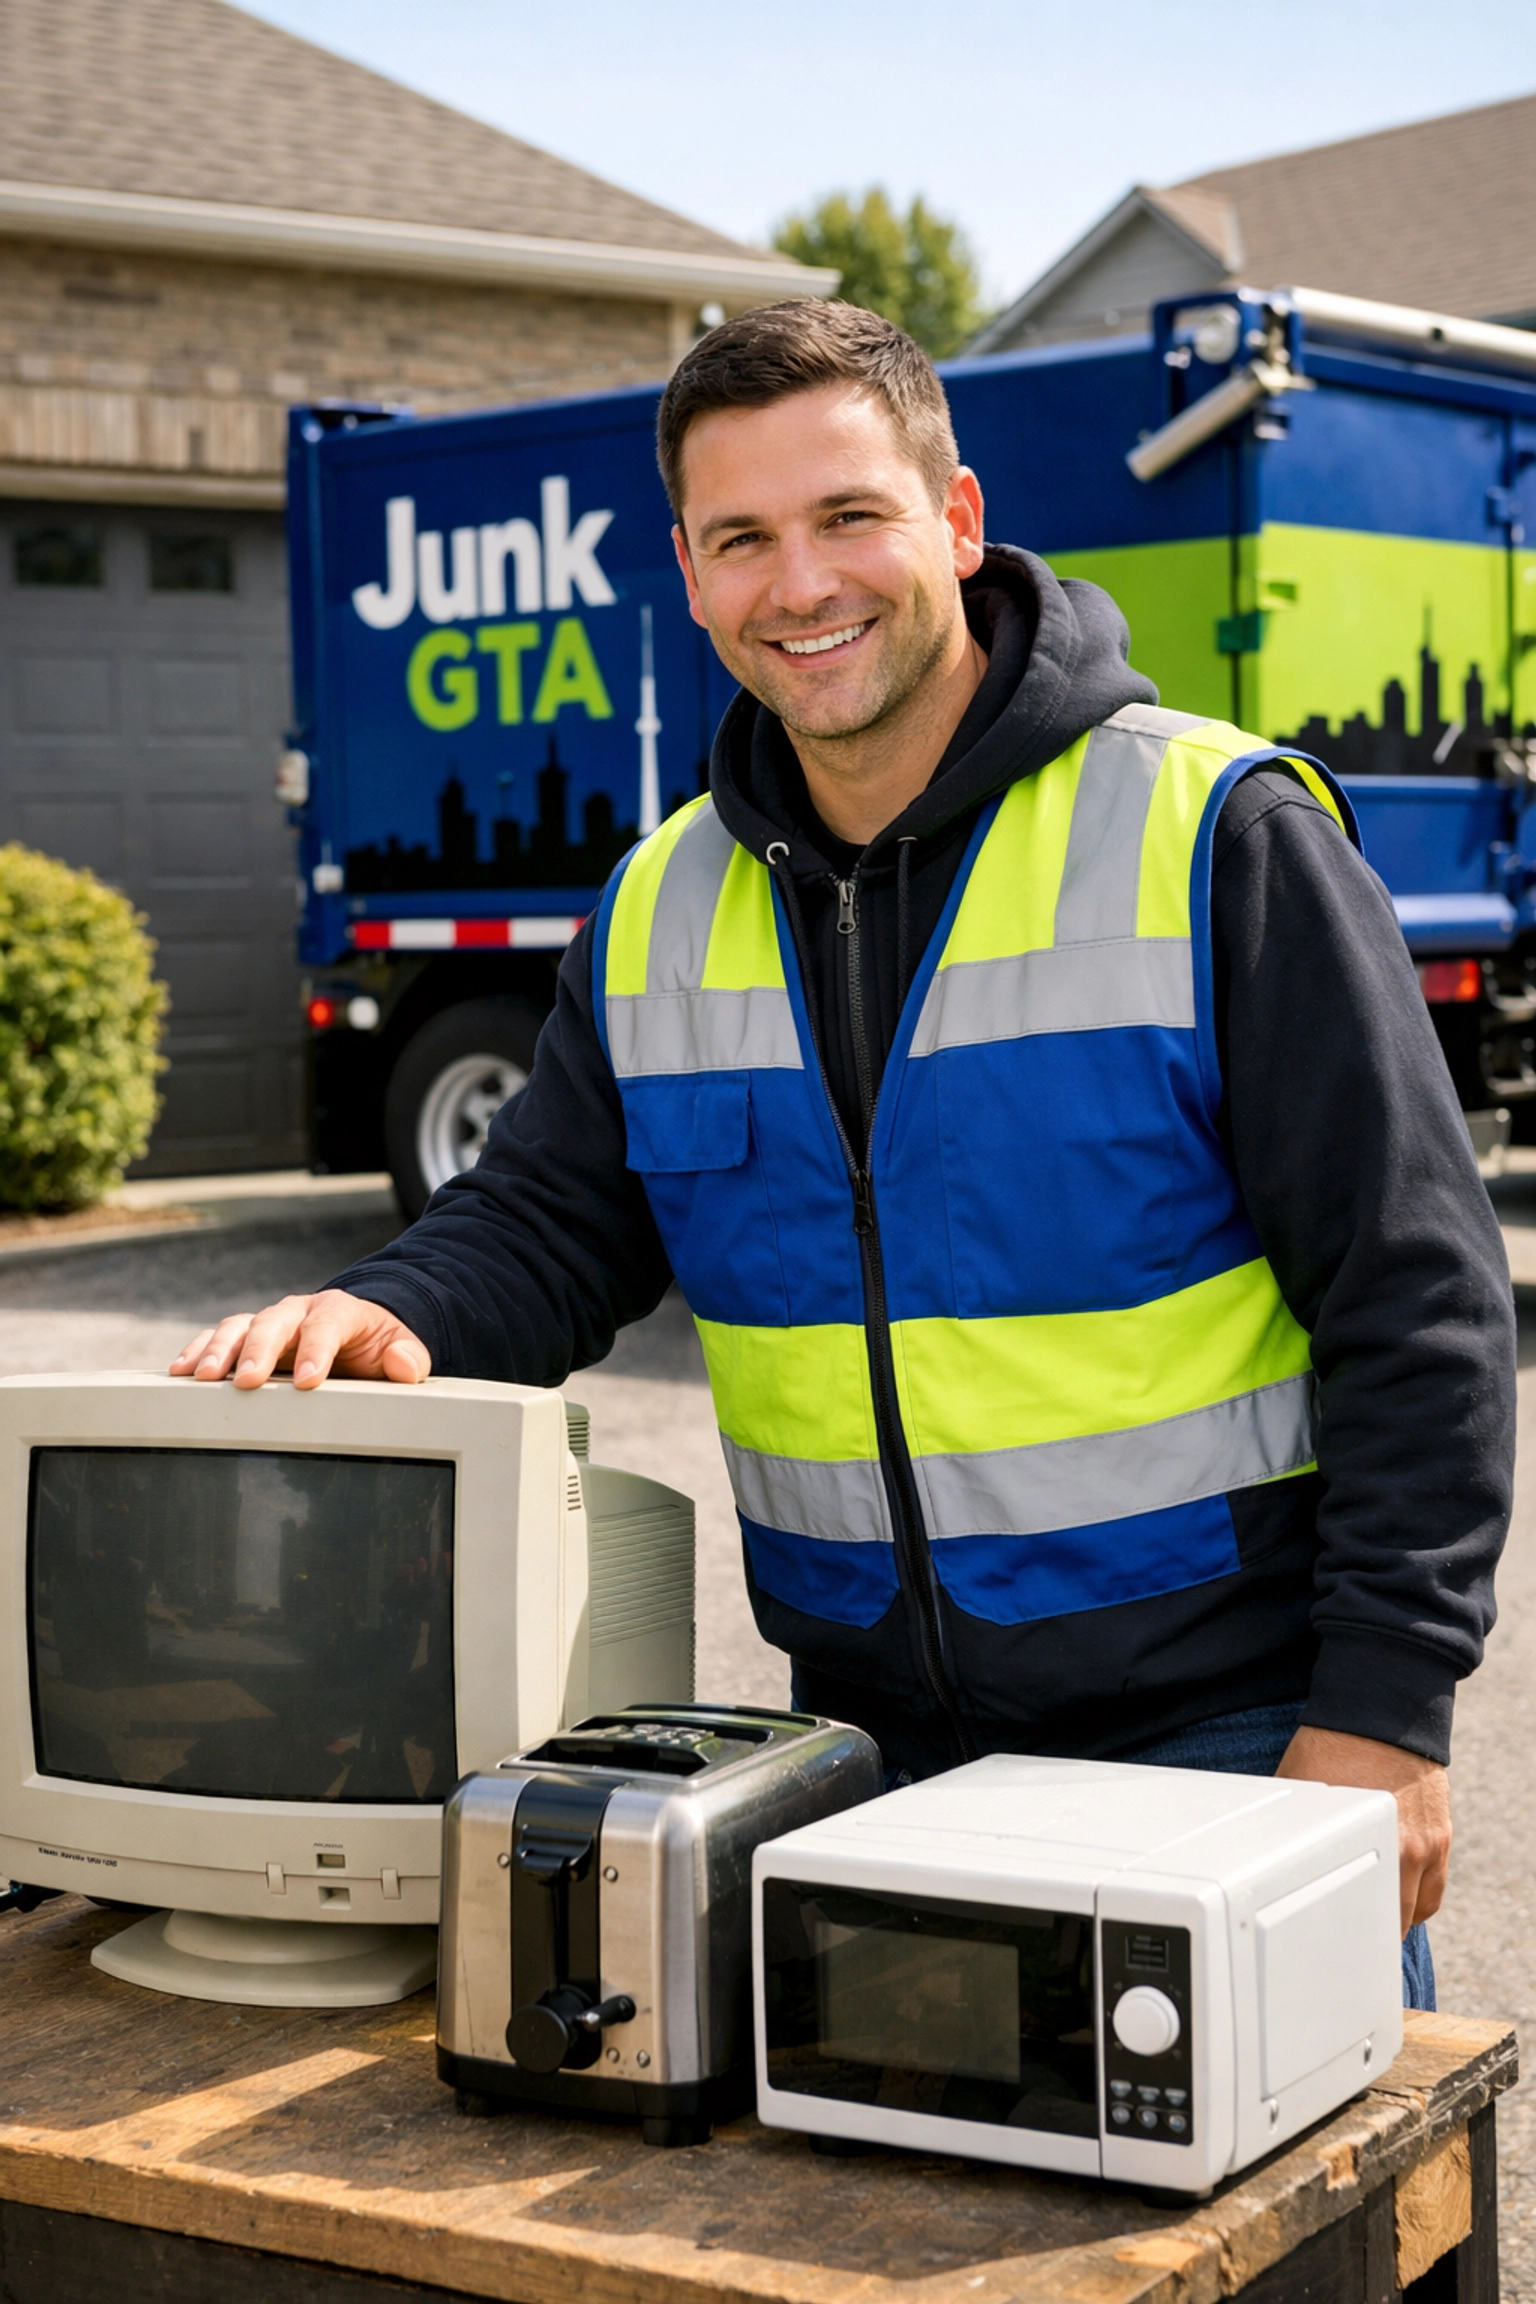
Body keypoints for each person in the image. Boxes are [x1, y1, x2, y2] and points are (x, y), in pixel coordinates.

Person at [173, 301, 1515, 2007]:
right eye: (743, 539)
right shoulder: (659, 900)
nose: (798, 585)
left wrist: (1385, 1713)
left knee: (1280, 2261)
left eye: (847, 518)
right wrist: (392, 1313)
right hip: (863, 1758)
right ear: (688, 571)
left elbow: (1420, 1296)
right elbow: (551, 1219)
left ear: (955, 521)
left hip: (1227, 1741)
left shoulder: (1213, 834)